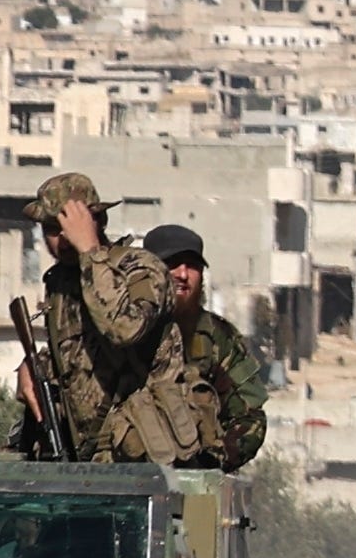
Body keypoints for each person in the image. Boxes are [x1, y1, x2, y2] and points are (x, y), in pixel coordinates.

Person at [23, 171, 185, 462]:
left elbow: (124, 328)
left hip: (142, 453)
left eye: (69, 225)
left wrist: (89, 250)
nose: (62, 237)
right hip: (86, 453)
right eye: (51, 227)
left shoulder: (140, 268)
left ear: (98, 222)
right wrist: (33, 368)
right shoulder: (61, 284)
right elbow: (78, 355)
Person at [137, 225, 270, 469]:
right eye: (172, 263)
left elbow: (249, 417)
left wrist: (214, 461)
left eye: (192, 266)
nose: (183, 274)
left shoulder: (218, 337)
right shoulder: (124, 329)